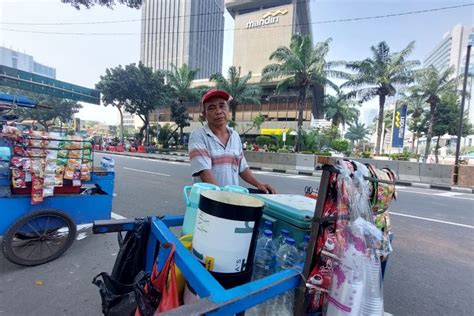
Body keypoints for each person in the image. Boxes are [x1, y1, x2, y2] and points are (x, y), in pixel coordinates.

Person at [188, 89, 276, 194]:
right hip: (208, 203)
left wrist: (259, 184)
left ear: (228, 110)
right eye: (211, 108)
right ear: (204, 114)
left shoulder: (235, 136)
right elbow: (204, 171)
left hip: (231, 200)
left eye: (222, 106)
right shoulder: (198, 136)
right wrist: (222, 198)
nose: (218, 111)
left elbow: (242, 168)